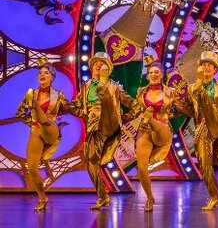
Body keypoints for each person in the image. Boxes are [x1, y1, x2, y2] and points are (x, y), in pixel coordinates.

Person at [70, 51, 134, 210]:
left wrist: (129, 116)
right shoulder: (86, 88)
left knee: (106, 106)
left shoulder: (114, 86)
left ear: (109, 68)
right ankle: (103, 196)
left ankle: (106, 107)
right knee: (91, 163)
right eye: (96, 62)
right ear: (91, 67)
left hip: (109, 123)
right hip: (92, 127)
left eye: (102, 62)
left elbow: (131, 103)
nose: (98, 64)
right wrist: (61, 105)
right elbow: (77, 107)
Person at [175, 50, 218, 211]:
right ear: (199, 68)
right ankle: (214, 196)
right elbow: (190, 111)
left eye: (210, 65)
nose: (207, 67)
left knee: (203, 98)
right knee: (204, 162)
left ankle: (203, 97)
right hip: (203, 125)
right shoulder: (190, 90)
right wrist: (176, 101)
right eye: (204, 64)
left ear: (215, 69)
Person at [16, 58, 72, 212]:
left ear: (51, 78)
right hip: (37, 131)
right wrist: (32, 123)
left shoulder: (57, 95)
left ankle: (37, 111)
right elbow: (20, 113)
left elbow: (70, 108)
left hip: (51, 129)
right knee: (32, 168)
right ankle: (42, 197)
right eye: (40, 73)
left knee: (46, 121)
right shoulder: (31, 93)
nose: (42, 75)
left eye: (46, 73)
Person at [124, 56, 175, 212]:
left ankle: (151, 119)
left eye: (156, 72)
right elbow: (134, 111)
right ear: (148, 75)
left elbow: (180, 109)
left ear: (161, 74)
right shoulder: (141, 92)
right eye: (150, 72)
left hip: (162, 129)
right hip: (145, 129)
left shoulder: (170, 92)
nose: (153, 75)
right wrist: (122, 117)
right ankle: (150, 198)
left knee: (157, 124)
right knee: (141, 167)